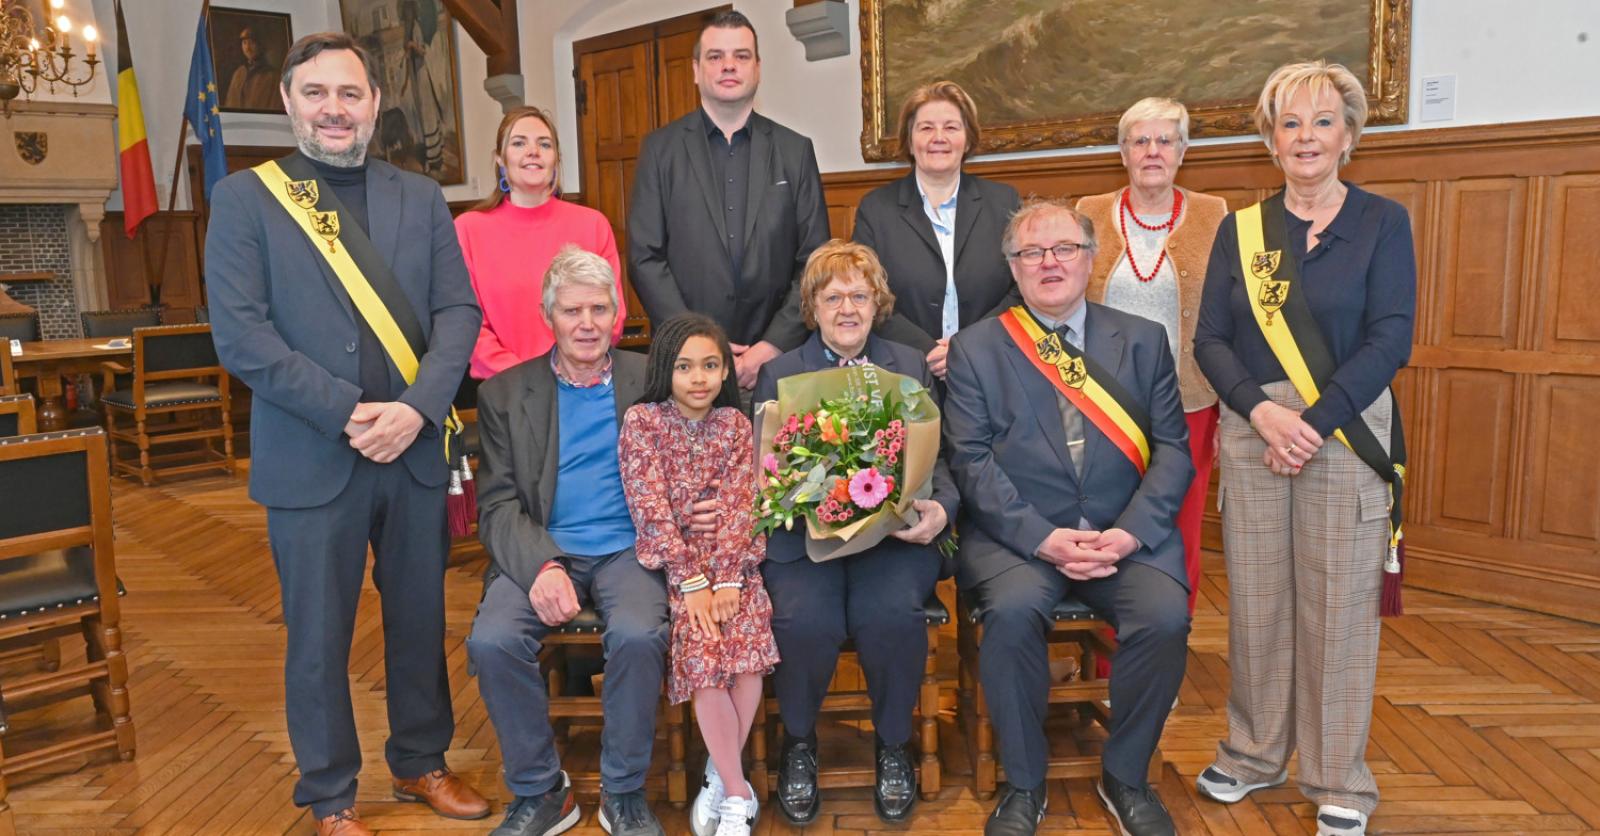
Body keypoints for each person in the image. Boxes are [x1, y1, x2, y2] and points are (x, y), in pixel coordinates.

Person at [204, 32, 487, 836]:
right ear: (289, 101)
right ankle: (330, 797)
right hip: (311, 454)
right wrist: (348, 410)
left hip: (412, 450)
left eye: (351, 94)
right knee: (319, 638)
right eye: (318, 93)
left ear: (374, 105)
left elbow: (458, 313)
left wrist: (416, 408)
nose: (336, 109)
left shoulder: (420, 196)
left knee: (419, 620)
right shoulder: (245, 200)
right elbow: (243, 337)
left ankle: (421, 763)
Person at [1193, 61, 1415, 836]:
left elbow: (1392, 337)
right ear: (1270, 138)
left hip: (1344, 429)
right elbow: (1210, 340)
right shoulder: (1241, 230)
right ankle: (1253, 753)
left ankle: (1337, 779)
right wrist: (1261, 413)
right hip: (1256, 433)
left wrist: (1312, 422)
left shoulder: (1383, 222)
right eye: (1290, 123)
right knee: (1255, 602)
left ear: (1349, 136)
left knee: (1339, 610)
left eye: (1323, 121)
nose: (1306, 137)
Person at [943, 198, 1193, 836]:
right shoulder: (977, 349)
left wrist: (1129, 532)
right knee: (1012, 614)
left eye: (1063, 249)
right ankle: (1024, 784)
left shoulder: (1141, 340)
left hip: (1122, 534)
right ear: (1013, 267)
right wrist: (1044, 538)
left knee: (1165, 619)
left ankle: (1125, 776)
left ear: (1090, 258)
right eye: (1031, 252)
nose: (1048, 263)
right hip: (1021, 539)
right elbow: (970, 462)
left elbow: (1172, 450)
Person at [467, 246, 673, 836]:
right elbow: (499, 504)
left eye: (599, 309)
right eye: (571, 310)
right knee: (492, 640)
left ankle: (624, 790)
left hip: (629, 547)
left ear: (617, 314)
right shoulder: (505, 393)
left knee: (638, 634)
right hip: (541, 544)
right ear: (547, 316)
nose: (586, 323)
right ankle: (541, 791)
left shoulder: (651, 380)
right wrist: (541, 568)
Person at [753, 240, 958, 824]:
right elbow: (763, 470)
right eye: (833, 295)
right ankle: (799, 743)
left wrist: (940, 509)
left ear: (878, 304)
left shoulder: (908, 365)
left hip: (892, 540)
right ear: (812, 307)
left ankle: (894, 745)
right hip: (805, 541)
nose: (848, 308)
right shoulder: (780, 372)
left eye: (860, 296)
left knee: (890, 615)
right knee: (803, 620)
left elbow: (939, 460)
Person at [618, 313, 781, 836]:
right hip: (679, 564)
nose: (698, 378)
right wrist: (692, 584)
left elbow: (743, 503)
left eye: (711, 365)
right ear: (665, 368)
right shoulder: (643, 422)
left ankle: (720, 773)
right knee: (704, 646)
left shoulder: (735, 424)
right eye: (685, 366)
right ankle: (738, 792)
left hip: (735, 563)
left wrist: (731, 578)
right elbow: (650, 506)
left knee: (748, 644)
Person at [1076, 97, 1229, 615]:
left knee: (1179, 529)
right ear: (1122, 152)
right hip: (1102, 405)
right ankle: (1101, 657)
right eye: (1140, 140)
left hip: (1188, 404)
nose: (1153, 151)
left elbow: (1231, 315)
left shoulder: (1214, 214)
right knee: (1101, 527)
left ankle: (1163, 656)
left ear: (1183, 150)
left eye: (1165, 140)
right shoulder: (1089, 212)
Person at [627, 10, 830, 392]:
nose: (728, 66)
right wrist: (695, 344)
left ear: (757, 67)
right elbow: (645, 257)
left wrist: (771, 346)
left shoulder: (794, 151)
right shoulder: (660, 150)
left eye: (740, 55)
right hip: (686, 367)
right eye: (715, 56)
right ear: (695, 69)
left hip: (777, 362)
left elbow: (814, 261)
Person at [851, 81, 1020, 379]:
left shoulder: (1003, 202)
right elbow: (866, 293)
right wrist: (926, 350)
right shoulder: (876, 209)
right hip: (905, 370)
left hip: (991, 365)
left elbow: (1021, 287)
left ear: (968, 140)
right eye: (926, 128)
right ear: (909, 140)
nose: (938, 138)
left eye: (952, 128)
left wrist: (968, 348)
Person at [456, 106, 626, 379]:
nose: (533, 151)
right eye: (519, 143)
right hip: (506, 388)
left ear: (556, 158)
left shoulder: (592, 224)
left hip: (583, 383)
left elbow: (612, 315)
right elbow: (468, 324)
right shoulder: (468, 229)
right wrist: (527, 379)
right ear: (500, 158)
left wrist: (566, 373)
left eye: (544, 144)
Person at [225, 25, 280, 111]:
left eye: (251, 42)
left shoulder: (273, 76)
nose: (247, 48)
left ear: (260, 45)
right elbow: (229, 104)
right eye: (244, 43)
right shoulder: (238, 73)